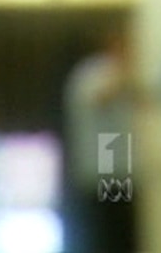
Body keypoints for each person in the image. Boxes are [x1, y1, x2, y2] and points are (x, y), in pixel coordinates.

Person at [64, 21, 143, 253]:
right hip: (104, 167)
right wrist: (125, 71)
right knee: (107, 238)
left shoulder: (116, 72)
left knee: (120, 237)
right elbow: (101, 98)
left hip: (116, 166)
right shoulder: (92, 71)